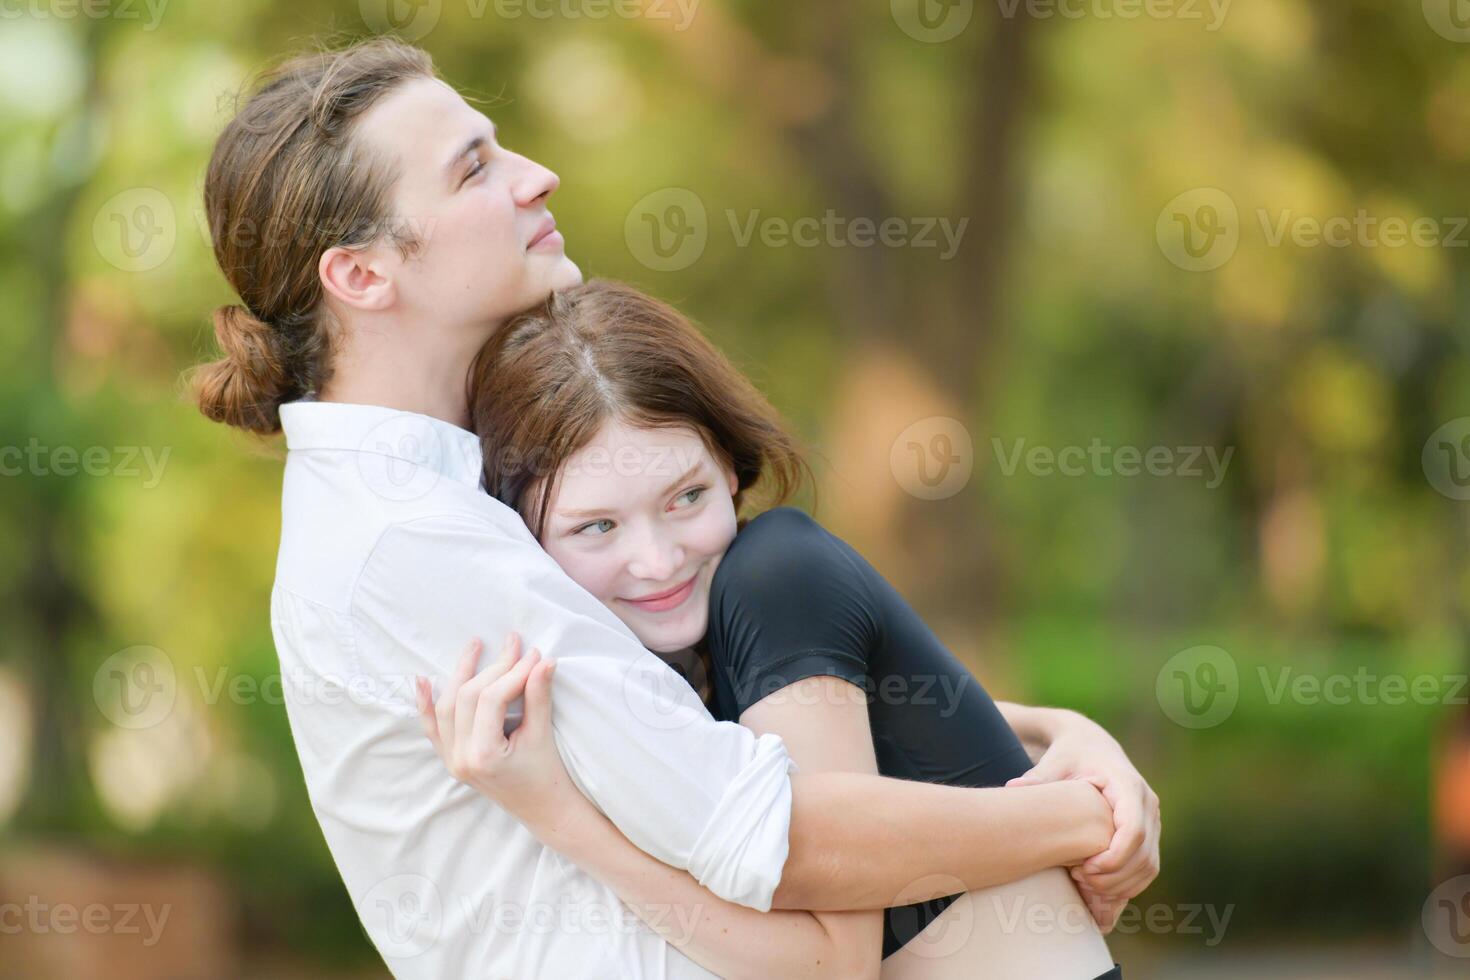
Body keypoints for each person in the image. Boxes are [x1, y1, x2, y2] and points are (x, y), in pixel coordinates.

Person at [190, 37, 1159, 979]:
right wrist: (1086, 810)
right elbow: (772, 834)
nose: (536, 177)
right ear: (362, 273)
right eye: (474, 168)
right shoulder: (411, 535)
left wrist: (1044, 729)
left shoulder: (419, 502)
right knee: (783, 563)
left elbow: (696, 723)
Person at [416, 279, 1131, 978]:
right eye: (597, 526)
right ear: (525, 537)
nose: (659, 560)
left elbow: (833, 964)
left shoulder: (773, 577)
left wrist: (556, 814)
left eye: (686, 496)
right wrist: (1060, 733)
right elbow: (898, 729)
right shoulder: (645, 666)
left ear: (729, 467)